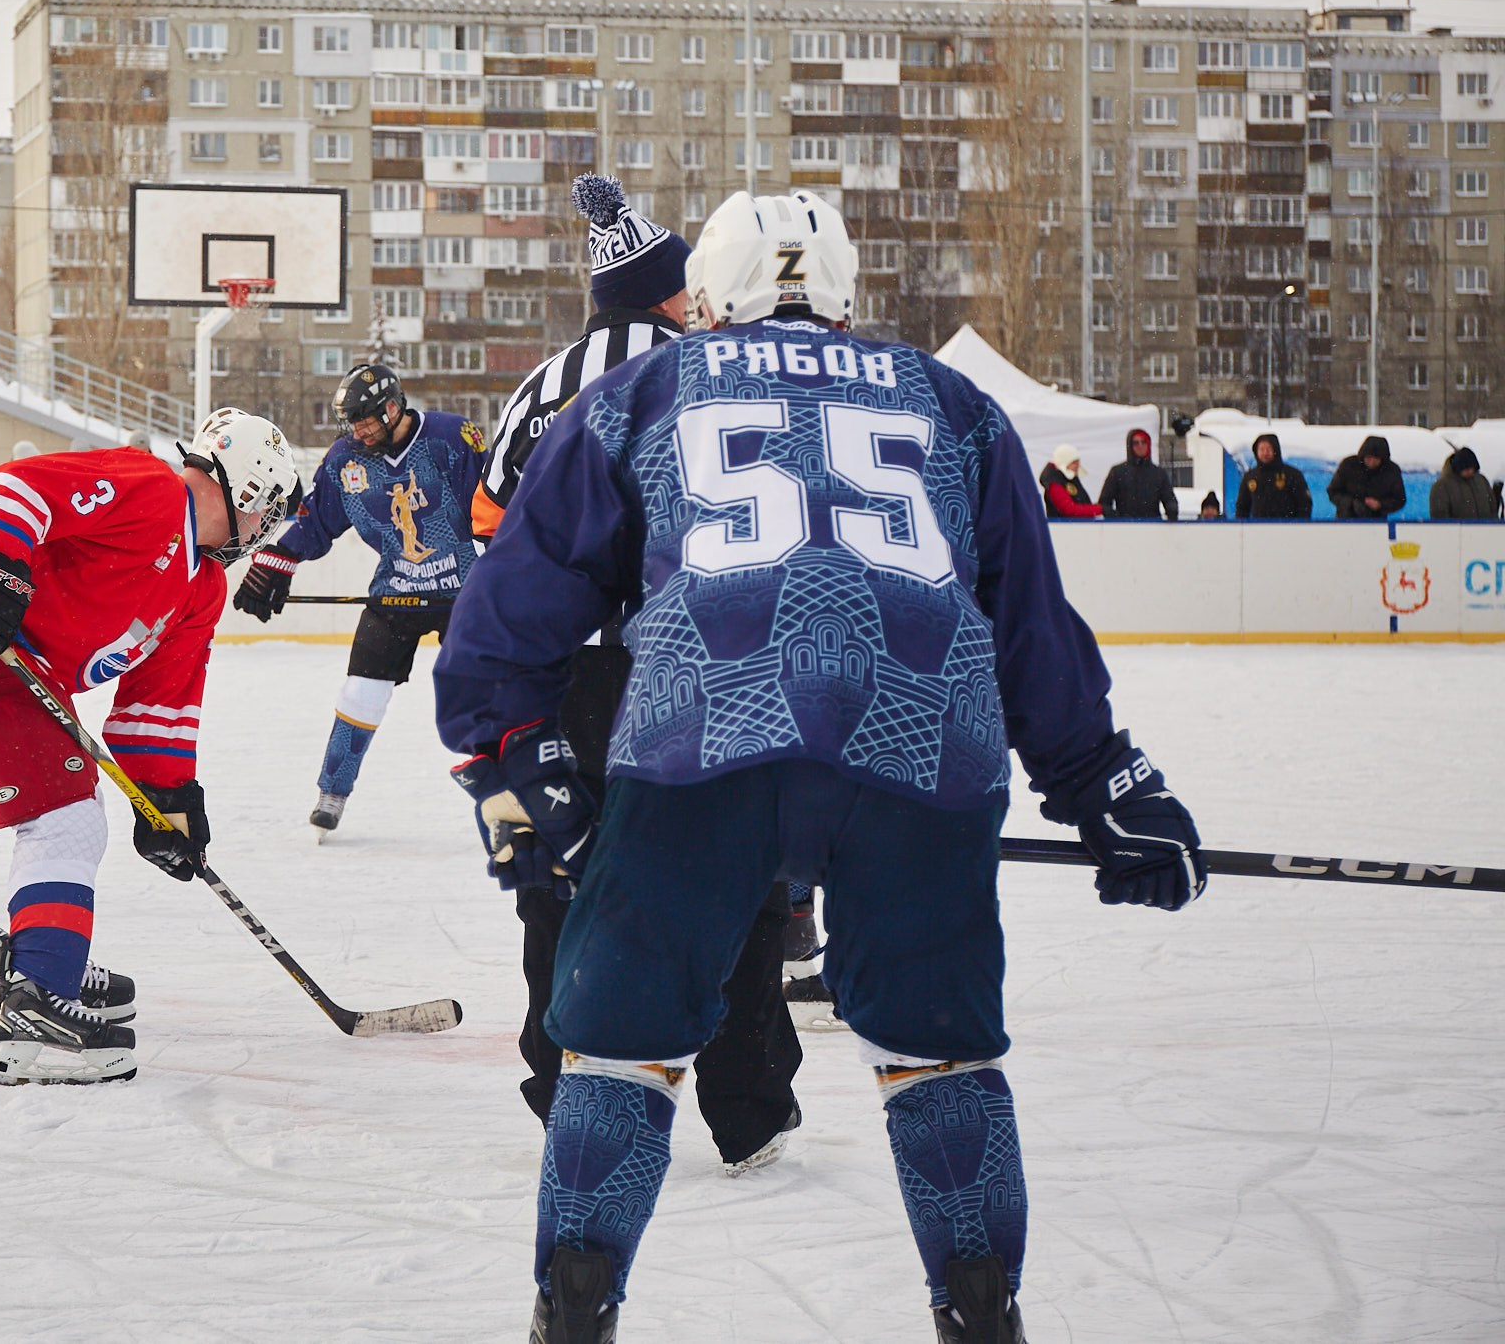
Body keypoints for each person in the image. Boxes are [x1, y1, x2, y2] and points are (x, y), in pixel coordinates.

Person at [435, 190, 1206, 1344]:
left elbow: (514, 599)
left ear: (707, 293)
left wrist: (511, 749)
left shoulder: (644, 386)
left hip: (704, 728)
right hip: (918, 737)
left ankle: (575, 1305)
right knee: (936, 1054)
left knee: (620, 1047)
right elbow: (1027, 622)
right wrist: (1103, 783)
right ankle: (979, 1309)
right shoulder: (953, 402)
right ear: (845, 292)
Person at [461, 174, 802, 1167]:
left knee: (558, 876)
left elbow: (485, 525)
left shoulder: (537, 387)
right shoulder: (715, 372)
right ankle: (745, 1105)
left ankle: (563, 1078)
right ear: (672, 292)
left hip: (558, 680)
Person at [0, 407, 303, 1085]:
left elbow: (157, 703)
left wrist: (168, 803)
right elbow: (10, 491)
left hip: (14, 673)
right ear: (250, 490)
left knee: (70, 815)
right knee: (67, 818)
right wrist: (1, 571)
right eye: (270, 511)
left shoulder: (201, 588)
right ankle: (37, 997)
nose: (267, 530)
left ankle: (45, 967)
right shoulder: (151, 490)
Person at [232, 361, 483, 835]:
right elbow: (315, 522)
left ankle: (508, 785)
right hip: (394, 595)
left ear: (393, 407)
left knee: (484, 693)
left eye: (367, 420)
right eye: (353, 423)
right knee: (360, 694)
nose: (360, 431)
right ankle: (332, 792)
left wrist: (506, 576)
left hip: (468, 594)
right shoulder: (346, 459)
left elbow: (499, 506)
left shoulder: (451, 438)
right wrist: (277, 560)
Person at [1096, 428, 1177, 521]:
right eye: (1136, 443)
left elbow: (1169, 498)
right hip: (1124, 528)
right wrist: (1116, 519)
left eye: (1144, 442)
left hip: (1153, 528)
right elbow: (1104, 503)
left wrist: (1172, 510)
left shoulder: (1159, 473)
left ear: (1148, 444)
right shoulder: (1118, 472)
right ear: (1130, 446)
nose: (1140, 446)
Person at [1233, 433, 1311, 520]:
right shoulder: (1250, 477)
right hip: (1258, 529)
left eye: (1268, 449)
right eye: (1262, 449)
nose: (1265, 453)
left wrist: (1299, 525)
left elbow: (1304, 504)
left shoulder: (1292, 475)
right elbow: (1242, 507)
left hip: (1287, 528)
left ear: (1275, 450)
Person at [1327, 434, 1406, 520]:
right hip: (1346, 520)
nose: (1372, 462)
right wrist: (1351, 503)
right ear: (1363, 456)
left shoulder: (1391, 471)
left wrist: (1380, 505)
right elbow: (1333, 491)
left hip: (1377, 523)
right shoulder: (1348, 465)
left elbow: (1399, 499)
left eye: (1376, 459)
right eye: (1368, 458)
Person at [1428, 447, 1498, 521]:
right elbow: (1439, 517)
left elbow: (1492, 507)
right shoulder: (1442, 486)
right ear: (1458, 468)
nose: (1470, 472)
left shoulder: (1481, 481)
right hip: (1458, 531)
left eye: (1472, 468)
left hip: (1486, 530)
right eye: (1466, 469)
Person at [1037, 444, 1099, 519]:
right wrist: (1099, 509)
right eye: (1074, 462)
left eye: (1078, 462)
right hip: (1065, 528)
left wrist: (1095, 508)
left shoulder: (1068, 478)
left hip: (1076, 526)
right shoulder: (1055, 484)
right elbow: (1069, 510)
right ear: (1064, 463)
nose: (1078, 465)